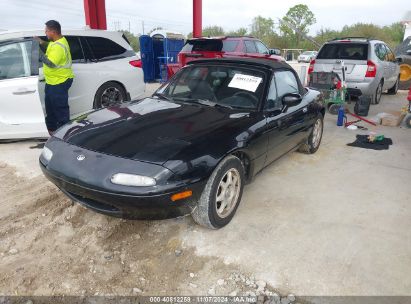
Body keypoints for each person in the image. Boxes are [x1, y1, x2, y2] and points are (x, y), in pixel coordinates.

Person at [36, 20, 74, 135]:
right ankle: (52, 130)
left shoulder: (58, 47)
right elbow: (50, 46)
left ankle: (65, 134)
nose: (45, 33)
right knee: (50, 108)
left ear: (53, 32)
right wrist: (41, 42)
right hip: (52, 81)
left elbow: (51, 63)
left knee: (60, 109)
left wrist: (35, 53)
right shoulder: (57, 41)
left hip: (60, 81)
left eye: (46, 31)